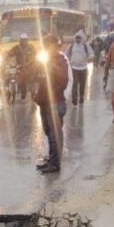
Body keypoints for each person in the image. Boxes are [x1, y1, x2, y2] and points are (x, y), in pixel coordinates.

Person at [34, 36, 70, 173]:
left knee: (55, 133)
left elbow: (63, 82)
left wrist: (50, 93)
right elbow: (39, 78)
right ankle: (52, 159)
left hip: (55, 102)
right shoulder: (45, 60)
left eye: (49, 45)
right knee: (48, 131)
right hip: (45, 102)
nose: (46, 48)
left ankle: (55, 164)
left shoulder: (60, 61)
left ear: (55, 46)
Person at [7, 33, 38, 102]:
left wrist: (29, 63)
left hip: (30, 67)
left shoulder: (31, 48)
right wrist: (6, 56)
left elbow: (34, 56)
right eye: (22, 40)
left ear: (27, 40)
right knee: (20, 80)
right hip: (20, 67)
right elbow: (10, 53)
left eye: (25, 40)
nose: (24, 41)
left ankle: (33, 94)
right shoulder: (16, 48)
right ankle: (16, 92)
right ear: (20, 40)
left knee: (31, 81)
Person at [66, 33, 92, 105]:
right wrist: (69, 61)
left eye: (79, 38)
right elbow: (67, 54)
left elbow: (91, 54)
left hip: (83, 68)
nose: (78, 39)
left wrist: (89, 59)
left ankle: (81, 97)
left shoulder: (85, 45)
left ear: (81, 38)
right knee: (74, 84)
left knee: (82, 85)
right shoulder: (71, 46)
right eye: (77, 38)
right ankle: (74, 99)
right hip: (74, 68)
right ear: (75, 38)